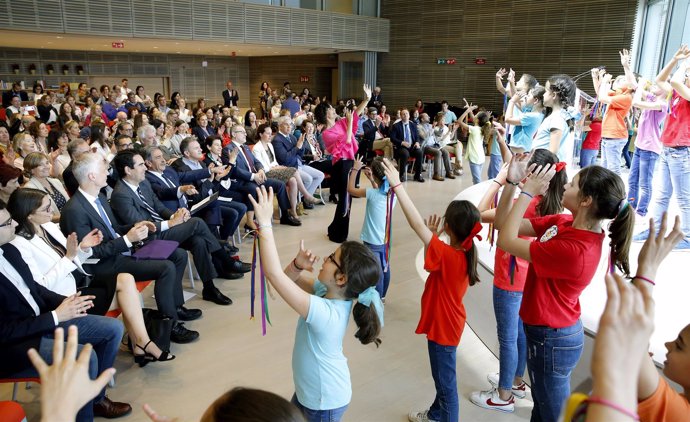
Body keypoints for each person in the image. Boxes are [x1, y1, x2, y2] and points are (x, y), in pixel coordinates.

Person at [495, 157, 634, 421]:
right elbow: (504, 225)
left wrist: (528, 191)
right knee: (543, 407)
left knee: (552, 414)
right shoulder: (565, 223)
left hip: (552, 339)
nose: (565, 186)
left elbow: (505, 241)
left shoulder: (575, 251)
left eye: (572, 184)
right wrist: (513, 183)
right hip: (548, 334)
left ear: (586, 200)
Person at [249, 185, 383, 422]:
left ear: (341, 279)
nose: (325, 259)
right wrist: (298, 266)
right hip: (311, 392)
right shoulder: (328, 292)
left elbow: (273, 276)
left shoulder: (326, 313)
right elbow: (286, 280)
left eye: (332, 259)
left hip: (323, 402)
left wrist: (265, 224)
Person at [8, 188, 174, 367]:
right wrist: (70, 257)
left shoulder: (47, 227)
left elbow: (73, 258)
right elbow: (41, 286)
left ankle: (141, 342)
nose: (52, 211)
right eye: (46, 208)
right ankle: (141, 343)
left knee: (125, 279)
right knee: (129, 295)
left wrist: (84, 248)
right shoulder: (19, 245)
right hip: (61, 298)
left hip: (79, 281)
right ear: (29, 215)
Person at [0, 200, 131, 421]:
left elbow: (35, 290)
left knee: (113, 328)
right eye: (6, 223)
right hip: (13, 347)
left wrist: (68, 301)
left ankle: (95, 399)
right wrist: (55, 316)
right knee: (84, 358)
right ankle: (83, 416)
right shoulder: (18, 245)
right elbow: (4, 333)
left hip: (40, 321)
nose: (14, 224)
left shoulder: (9, 249)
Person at [377, 158, 480, 422]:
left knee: (446, 385)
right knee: (442, 380)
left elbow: (415, 224)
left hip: (444, 330)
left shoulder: (450, 255)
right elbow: (433, 266)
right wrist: (433, 239)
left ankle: (445, 416)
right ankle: (436, 414)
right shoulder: (463, 251)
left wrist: (398, 185)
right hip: (446, 324)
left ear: (449, 227)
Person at [59, 152, 201, 344]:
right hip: (104, 266)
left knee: (178, 255)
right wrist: (128, 239)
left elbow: (114, 230)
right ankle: (170, 325)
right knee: (166, 267)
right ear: (92, 176)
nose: (108, 173)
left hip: (122, 252)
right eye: (103, 170)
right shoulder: (74, 210)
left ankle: (176, 307)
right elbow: (90, 253)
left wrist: (134, 227)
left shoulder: (99, 197)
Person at [469, 149, 566, 413]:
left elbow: (484, 215)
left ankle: (503, 395)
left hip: (510, 279)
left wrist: (504, 182)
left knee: (508, 337)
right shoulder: (549, 203)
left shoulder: (529, 204)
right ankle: (515, 381)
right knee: (519, 333)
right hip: (526, 278)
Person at [110, 150, 244, 305]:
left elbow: (159, 207)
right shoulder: (120, 194)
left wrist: (174, 216)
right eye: (141, 165)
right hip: (148, 239)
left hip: (164, 229)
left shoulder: (143, 183)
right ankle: (226, 259)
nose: (145, 168)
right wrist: (172, 223)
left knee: (198, 241)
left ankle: (209, 288)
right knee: (197, 223)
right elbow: (141, 227)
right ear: (128, 170)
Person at [633, 44, 690, 251]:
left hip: (682, 150)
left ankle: (688, 237)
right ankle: (653, 230)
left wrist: (685, 63)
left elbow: (674, 80)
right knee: (662, 194)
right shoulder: (676, 95)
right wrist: (675, 59)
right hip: (668, 149)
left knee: (684, 197)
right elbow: (660, 80)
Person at [316, 84, 371, 243]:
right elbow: (347, 141)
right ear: (326, 115)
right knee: (345, 198)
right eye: (331, 109)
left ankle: (336, 229)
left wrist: (367, 99)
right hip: (341, 165)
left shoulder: (340, 123)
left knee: (347, 198)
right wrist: (350, 121)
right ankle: (338, 234)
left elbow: (356, 113)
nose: (334, 110)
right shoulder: (327, 134)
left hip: (349, 162)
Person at [220, 125, 301, 228]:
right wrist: (253, 176)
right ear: (234, 134)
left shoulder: (245, 147)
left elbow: (256, 161)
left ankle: (285, 216)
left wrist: (261, 169)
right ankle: (250, 221)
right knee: (253, 188)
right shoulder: (228, 149)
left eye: (245, 132)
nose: (245, 134)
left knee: (280, 185)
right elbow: (234, 170)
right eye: (242, 132)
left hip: (255, 177)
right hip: (241, 181)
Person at [347, 156, 397, 300]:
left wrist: (356, 168)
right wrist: (372, 180)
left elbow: (350, 189)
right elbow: (380, 190)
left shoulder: (372, 194)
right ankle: (382, 297)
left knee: (377, 273)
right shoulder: (392, 193)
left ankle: (377, 299)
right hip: (385, 240)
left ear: (375, 174)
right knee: (385, 267)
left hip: (372, 242)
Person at [252, 123, 318, 221]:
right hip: (266, 173)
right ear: (261, 134)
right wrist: (277, 168)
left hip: (274, 169)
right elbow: (262, 167)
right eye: (268, 133)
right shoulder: (256, 148)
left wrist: (278, 166)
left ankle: (293, 211)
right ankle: (307, 195)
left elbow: (273, 161)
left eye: (271, 133)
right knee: (294, 170)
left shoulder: (269, 145)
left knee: (293, 181)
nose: (270, 135)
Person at [627, 78, 667, 218]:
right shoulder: (651, 98)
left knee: (644, 184)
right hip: (639, 146)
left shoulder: (662, 104)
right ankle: (629, 209)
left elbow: (636, 102)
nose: (655, 85)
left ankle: (641, 212)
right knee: (632, 180)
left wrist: (642, 85)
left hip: (650, 149)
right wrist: (626, 65)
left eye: (659, 83)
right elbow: (633, 84)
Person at [594, 52, 635, 175]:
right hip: (609, 136)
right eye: (618, 79)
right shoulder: (618, 94)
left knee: (613, 168)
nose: (618, 80)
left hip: (615, 136)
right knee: (605, 168)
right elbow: (599, 93)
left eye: (622, 80)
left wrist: (606, 82)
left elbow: (602, 97)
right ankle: (606, 191)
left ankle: (616, 193)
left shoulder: (626, 97)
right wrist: (596, 77)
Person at [273, 115, 324, 209]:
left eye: (291, 125)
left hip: (299, 164)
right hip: (288, 167)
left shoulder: (292, 137)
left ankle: (304, 198)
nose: (289, 127)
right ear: (280, 126)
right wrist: (297, 147)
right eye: (286, 125)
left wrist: (301, 145)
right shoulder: (277, 140)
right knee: (308, 179)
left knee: (320, 175)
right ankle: (298, 201)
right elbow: (285, 159)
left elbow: (300, 155)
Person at [22, 152, 69, 221]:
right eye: (41, 165)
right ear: (31, 170)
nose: (47, 167)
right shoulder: (29, 189)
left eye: (47, 163)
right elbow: (38, 218)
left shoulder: (56, 181)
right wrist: (67, 217)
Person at [504, 87, 546, 153]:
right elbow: (518, 101)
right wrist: (512, 83)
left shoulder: (532, 116)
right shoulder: (533, 113)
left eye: (528, 96)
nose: (526, 97)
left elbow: (507, 119)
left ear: (535, 100)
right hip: (522, 151)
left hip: (521, 153)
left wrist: (511, 101)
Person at [390, 109, 425, 183]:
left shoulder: (413, 125)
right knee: (405, 153)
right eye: (403, 114)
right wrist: (402, 142)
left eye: (406, 114)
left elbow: (417, 137)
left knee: (420, 152)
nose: (405, 115)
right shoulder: (396, 126)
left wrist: (417, 142)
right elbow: (392, 138)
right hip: (401, 147)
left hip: (412, 146)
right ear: (401, 116)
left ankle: (418, 175)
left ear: (409, 116)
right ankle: (401, 175)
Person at [456, 102, 484, 184]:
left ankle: (479, 196)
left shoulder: (474, 129)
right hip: (480, 157)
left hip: (475, 158)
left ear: (477, 120)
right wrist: (470, 109)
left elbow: (459, 121)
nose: (473, 116)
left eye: (476, 115)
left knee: (477, 181)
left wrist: (467, 111)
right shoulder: (482, 127)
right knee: (476, 179)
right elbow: (474, 118)